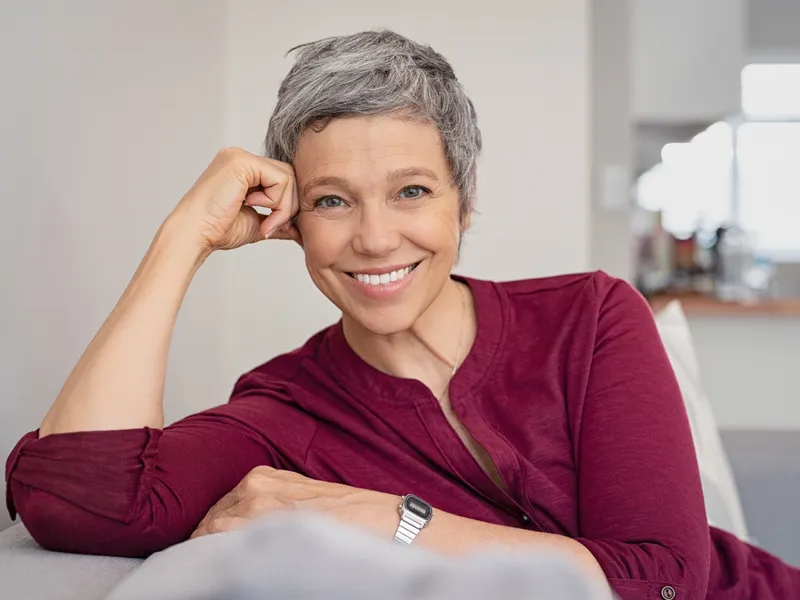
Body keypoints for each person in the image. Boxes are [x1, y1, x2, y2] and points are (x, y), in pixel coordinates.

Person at [4, 30, 799, 600]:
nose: (375, 237)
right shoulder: (282, 410)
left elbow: (663, 580)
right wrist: (184, 237)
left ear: (466, 201)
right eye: (332, 201)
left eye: (412, 191)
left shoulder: (590, 317)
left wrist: (394, 519)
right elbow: (84, 501)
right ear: (290, 223)